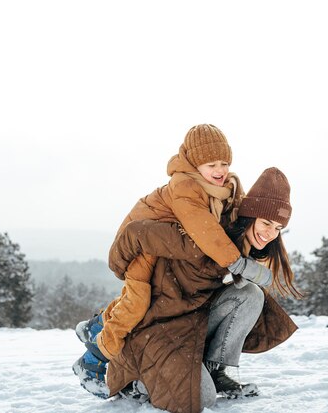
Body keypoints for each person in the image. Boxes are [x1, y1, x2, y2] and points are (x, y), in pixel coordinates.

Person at [73, 167, 302, 413]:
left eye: (278, 228)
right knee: (201, 399)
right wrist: (118, 265)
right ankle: (137, 381)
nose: (270, 233)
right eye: (266, 223)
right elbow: (136, 232)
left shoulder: (239, 247)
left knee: (250, 294)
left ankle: (215, 371)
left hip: (192, 321)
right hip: (158, 326)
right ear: (250, 215)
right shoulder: (205, 232)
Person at [76, 124, 272, 363]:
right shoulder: (185, 186)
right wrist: (239, 264)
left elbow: (232, 213)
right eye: (211, 165)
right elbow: (205, 230)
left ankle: (96, 325)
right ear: (194, 165)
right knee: (137, 303)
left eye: (224, 163)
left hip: (162, 246)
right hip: (143, 249)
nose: (220, 170)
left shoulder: (220, 187)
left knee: (138, 300)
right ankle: (94, 359)